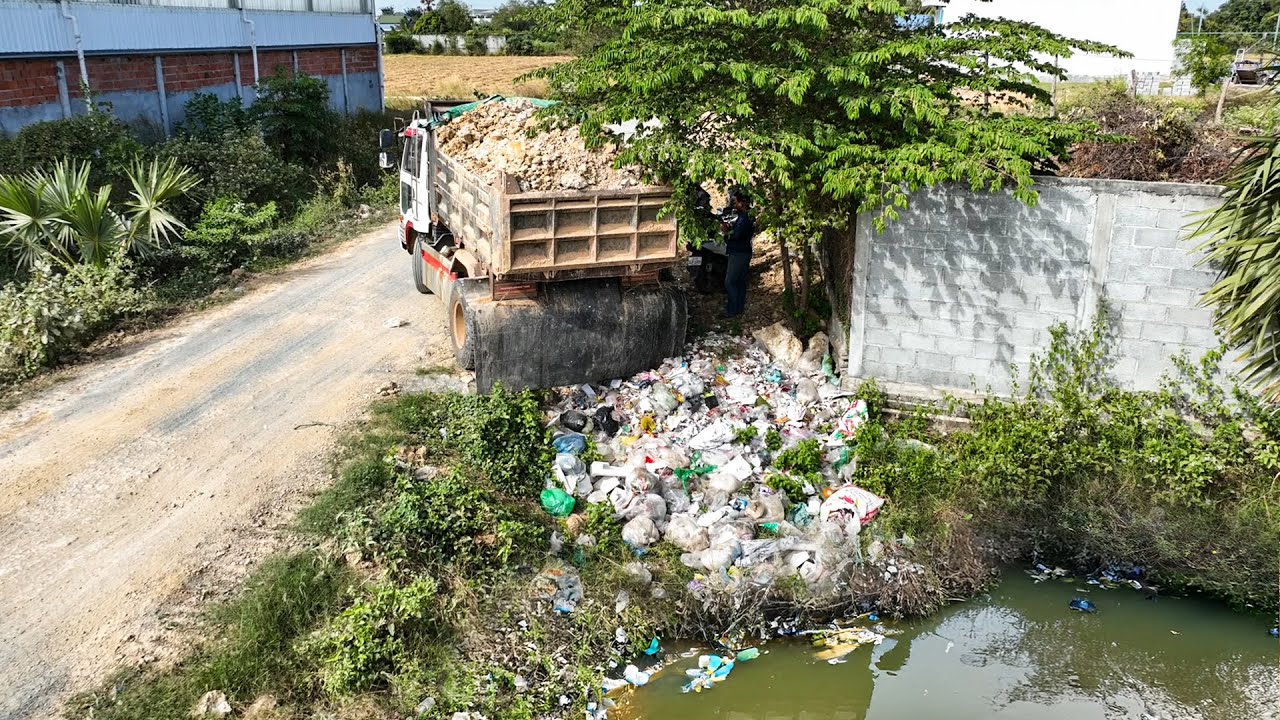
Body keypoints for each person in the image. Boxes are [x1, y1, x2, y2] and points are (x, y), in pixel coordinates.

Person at [721, 189, 754, 318]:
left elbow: (737, 235)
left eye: (736, 202)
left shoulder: (744, 219)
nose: (734, 205)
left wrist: (725, 232)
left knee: (730, 282)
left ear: (743, 203)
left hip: (739, 253)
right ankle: (738, 309)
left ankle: (733, 310)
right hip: (743, 252)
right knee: (739, 282)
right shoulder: (745, 217)